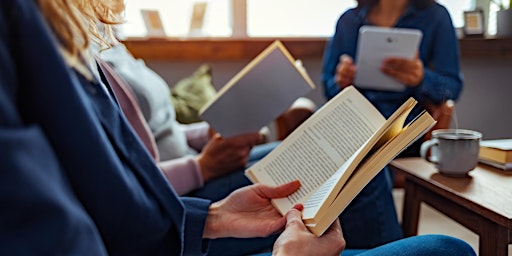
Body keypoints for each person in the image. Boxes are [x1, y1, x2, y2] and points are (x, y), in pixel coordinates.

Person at [0, 0, 477, 255]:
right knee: (446, 250)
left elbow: (114, 182)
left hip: (176, 216)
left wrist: (210, 218)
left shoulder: (83, 41)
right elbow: (332, 80)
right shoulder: (32, 33)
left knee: (427, 235)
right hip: (176, 197)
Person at [321, 0, 463, 249]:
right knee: (348, 142)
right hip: (355, 118)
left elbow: (451, 87)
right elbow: (328, 85)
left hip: (404, 123)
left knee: (366, 149)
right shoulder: (349, 21)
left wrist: (421, 78)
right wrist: (340, 80)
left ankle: (383, 247)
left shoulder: (436, 17)